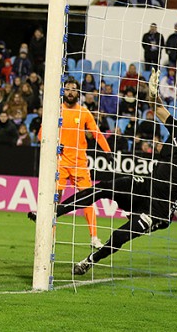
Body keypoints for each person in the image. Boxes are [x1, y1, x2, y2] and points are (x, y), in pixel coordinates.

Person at [30, 69, 177, 274]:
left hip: (160, 209)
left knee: (121, 235)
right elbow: (158, 108)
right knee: (103, 188)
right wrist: (152, 92)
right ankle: (53, 213)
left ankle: (89, 261)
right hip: (146, 187)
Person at [37, 77, 112, 249]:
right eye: (68, 89)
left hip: (79, 164)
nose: (70, 92)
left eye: (74, 89)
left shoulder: (84, 112)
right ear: (63, 91)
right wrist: (54, 144)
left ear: (78, 93)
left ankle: (94, 238)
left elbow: (97, 133)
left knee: (88, 199)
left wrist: (107, 152)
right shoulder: (56, 110)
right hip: (60, 164)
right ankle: (50, 237)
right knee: (55, 201)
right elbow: (41, 135)